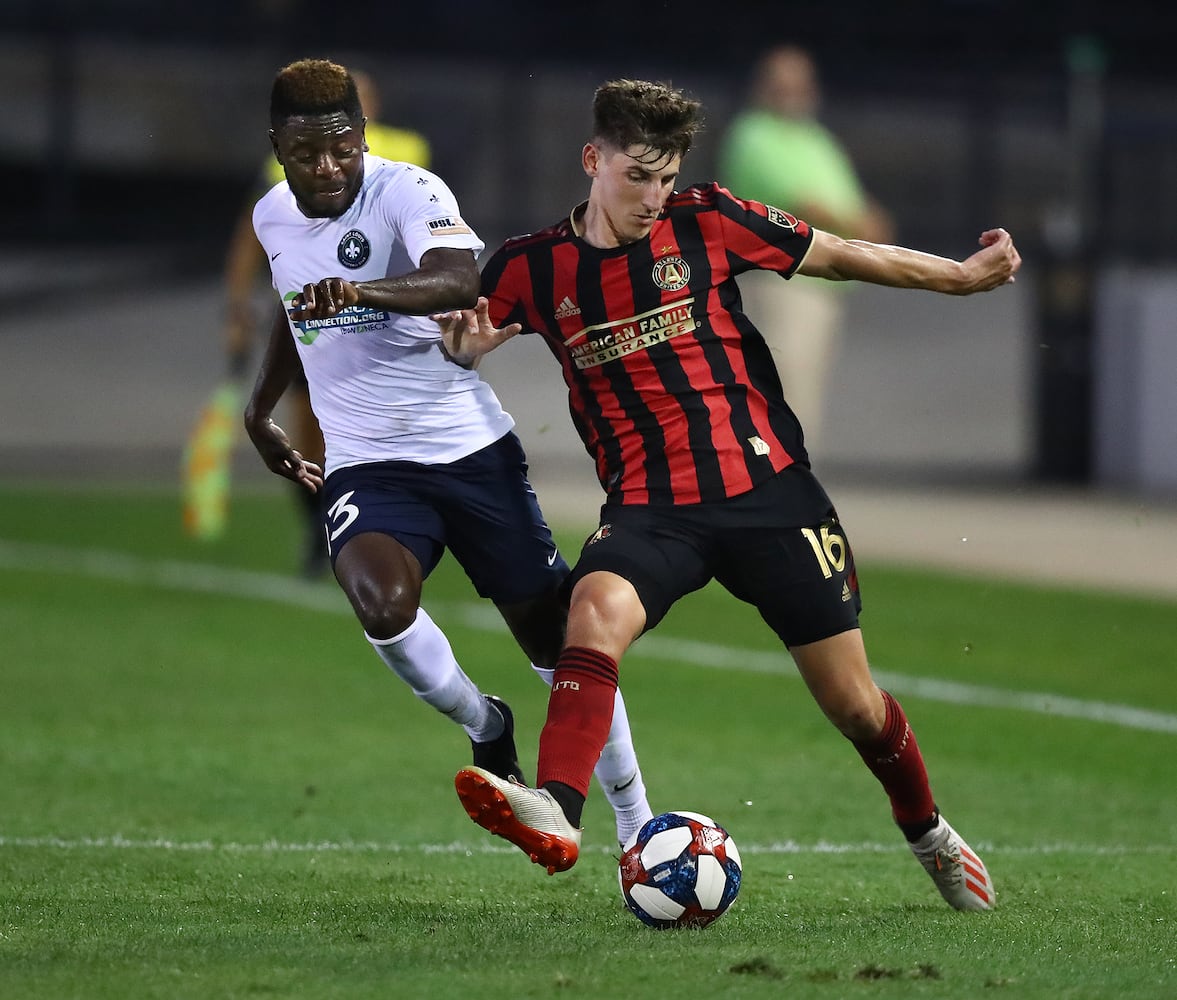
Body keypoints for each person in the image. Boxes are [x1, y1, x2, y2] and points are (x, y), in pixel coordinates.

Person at [437, 78, 1020, 910]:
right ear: (591, 160)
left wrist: (958, 276)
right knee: (592, 612)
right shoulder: (531, 267)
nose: (653, 197)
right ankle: (558, 813)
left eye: (666, 177)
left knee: (854, 705)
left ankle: (926, 829)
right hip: (650, 508)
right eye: (637, 176)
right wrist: (463, 349)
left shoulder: (708, 219)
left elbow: (842, 253)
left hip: (770, 495)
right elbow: (468, 336)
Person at [242, 58, 653, 846]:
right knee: (383, 609)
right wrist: (262, 412)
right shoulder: (271, 216)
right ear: (277, 147)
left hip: (468, 451)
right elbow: (293, 305)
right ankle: (483, 722)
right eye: (304, 153)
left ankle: (636, 829)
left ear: (361, 135)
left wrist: (361, 292)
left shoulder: (408, 190)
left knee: (555, 643)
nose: (326, 166)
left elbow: (459, 279)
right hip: (366, 460)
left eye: (340, 147)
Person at [206, 68, 429, 576]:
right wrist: (238, 305)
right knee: (312, 428)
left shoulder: (409, 153)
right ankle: (321, 526)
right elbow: (251, 234)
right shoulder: (286, 161)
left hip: (384, 318)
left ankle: (390, 522)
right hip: (309, 315)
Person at [718, 45, 894, 450]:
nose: (792, 93)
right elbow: (800, 204)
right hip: (784, 281)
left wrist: (867, 221)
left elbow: (852, 201)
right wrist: (862, 225)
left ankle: (787, 487)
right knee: (783, 390)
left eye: (799, 84)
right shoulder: (754, 134)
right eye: (781, 84)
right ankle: (774, 491)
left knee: (802, 394)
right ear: (762, 87)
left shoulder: (815, 139)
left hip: (821, 285)